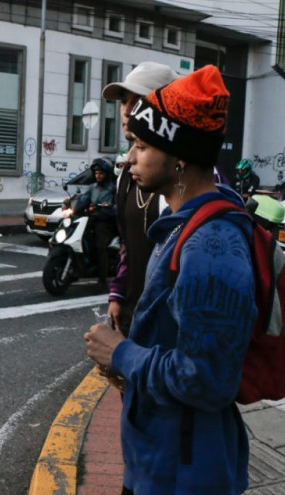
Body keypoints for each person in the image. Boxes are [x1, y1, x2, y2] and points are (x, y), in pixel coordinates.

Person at [84, 66, 256, 495]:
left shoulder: (210, 248)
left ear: (177, 157)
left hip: (185, 473)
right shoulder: (182, 226)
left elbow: (208, 378)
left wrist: (123, 353)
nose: (127, 159)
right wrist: (127, 360)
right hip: (159, 458)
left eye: (141, 147)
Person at [101, 61, 179, 334]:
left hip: (169, 327)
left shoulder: (186, 180)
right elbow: (127, 246)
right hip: (134, 314)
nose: (126, 110)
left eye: (138, 100)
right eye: (124, 100)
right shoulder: (126, 173)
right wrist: (118, 294)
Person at [73, 157, 117, 286]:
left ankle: (102, 278)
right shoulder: (92, 188)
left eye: (101, 173)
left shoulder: (113, 189)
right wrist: (72, 206)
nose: (98, 176)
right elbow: (83, 200)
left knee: (100, 246)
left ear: (107, 174)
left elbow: (117, 206)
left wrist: (108, 206)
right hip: (91, 220)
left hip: (105, 222)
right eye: (96, 173)